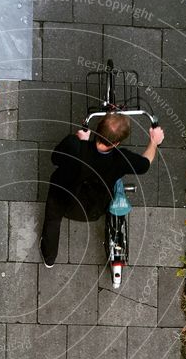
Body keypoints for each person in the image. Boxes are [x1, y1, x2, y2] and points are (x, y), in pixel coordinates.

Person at [40, 113, 165, 267]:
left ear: (97, 129)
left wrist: (80, 140)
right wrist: (154, 142)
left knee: (52, 221)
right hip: (93, 209)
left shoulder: (73, 145)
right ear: (116, 143)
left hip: (61, 199)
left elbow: (55, 159)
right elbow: (145, 164)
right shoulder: (121, 159)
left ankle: (49, 258)